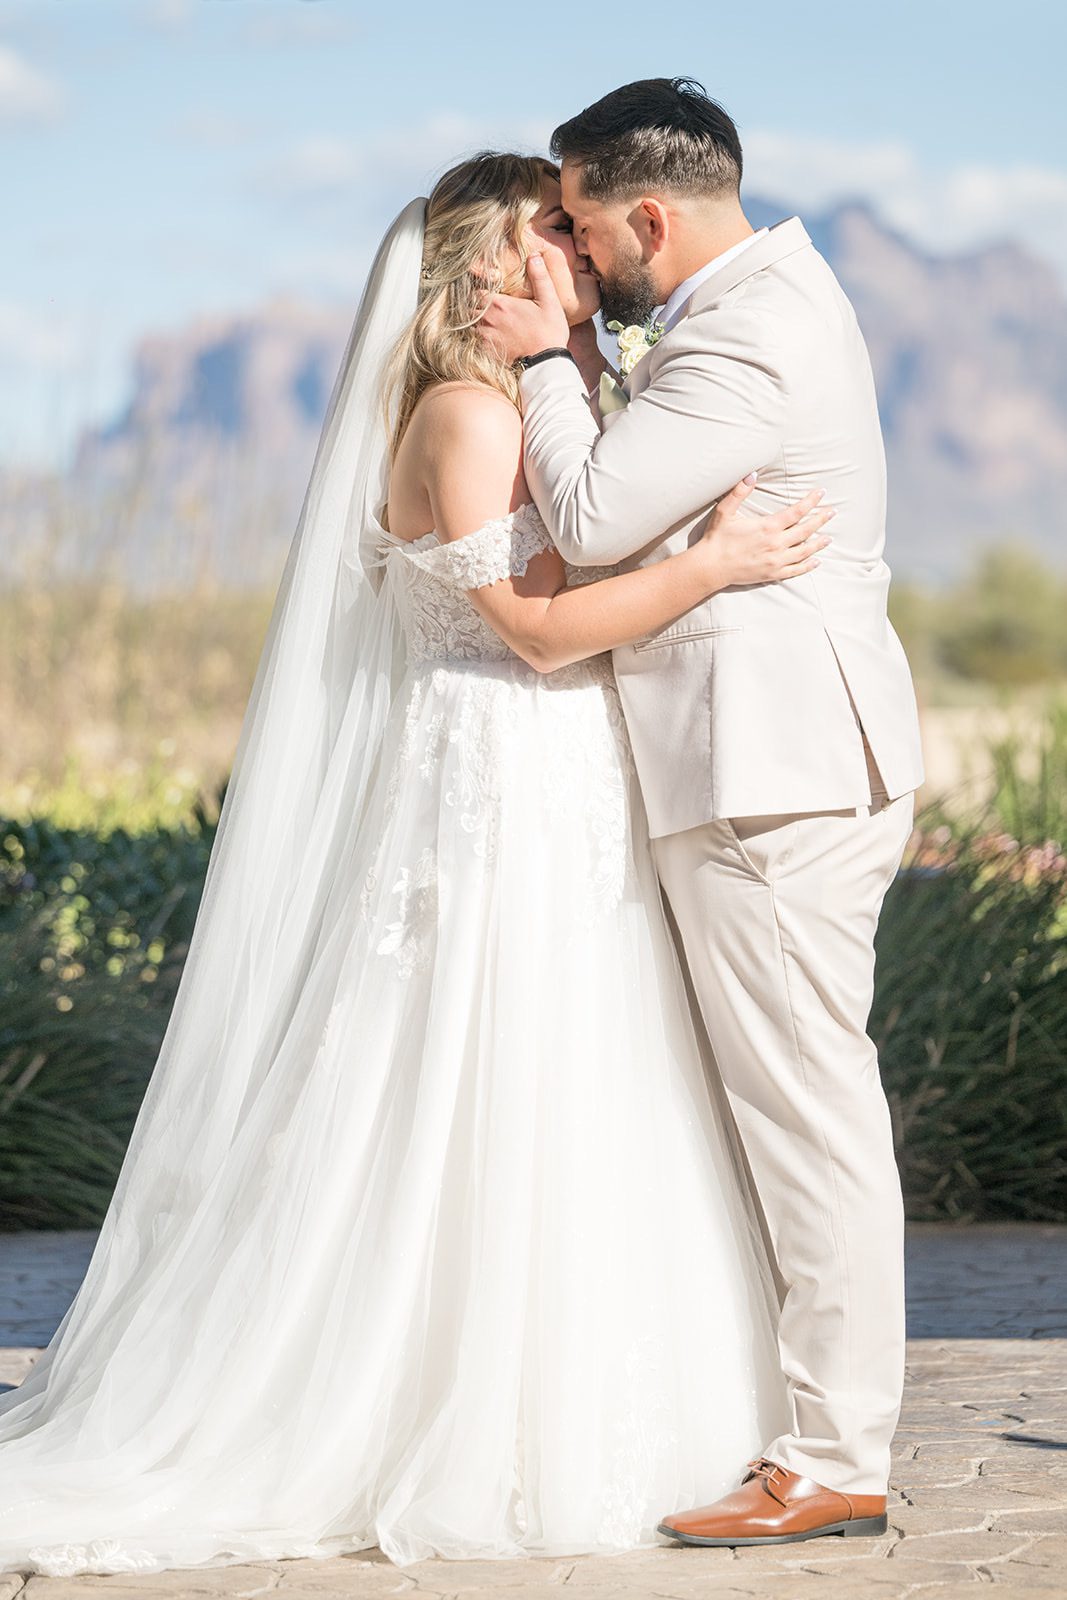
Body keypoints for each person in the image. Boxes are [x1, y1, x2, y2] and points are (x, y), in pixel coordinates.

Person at [0, 152, 833, 1577]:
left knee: (572, 1072)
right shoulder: (461, 414)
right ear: (491, 271)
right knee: (477, 1068)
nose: (577, 259)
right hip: (500, 775)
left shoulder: (522, 407)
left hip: (553, 773)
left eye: (577, 239)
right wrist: (716, 566)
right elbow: (535, 631)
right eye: (550, 241)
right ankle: (451, 1420)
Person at [479, 77, 926, 1548]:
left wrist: (551, 355)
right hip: (753, 759)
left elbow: (597, 513)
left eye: (586, 229)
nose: (577, 257)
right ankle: (795, 1431)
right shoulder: (750, 309)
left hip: (770, 768)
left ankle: (835, 1459)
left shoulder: (750, 330)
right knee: (775, 1116)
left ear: (649, 214)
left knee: (809, 1120)